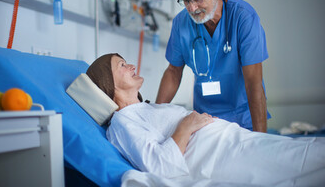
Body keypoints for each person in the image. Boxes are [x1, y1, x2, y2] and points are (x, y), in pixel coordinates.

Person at [86, 53, 325, 186]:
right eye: (122, 65)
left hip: (234, 142)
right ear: (108, 82)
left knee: (309, 155)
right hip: (224, 156)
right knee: (309, 159)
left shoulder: (147, 109)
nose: (131, 65)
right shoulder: (122, 122)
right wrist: (186, 125)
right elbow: (160, 166)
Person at [156, 0, 269, 132]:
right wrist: (155, 116)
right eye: (186, 0)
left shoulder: (243, 17)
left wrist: (261, 138)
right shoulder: (181, 23)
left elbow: (254, 82)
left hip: (243, 118)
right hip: (204, 120)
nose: (192, 8)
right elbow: (173, 72)